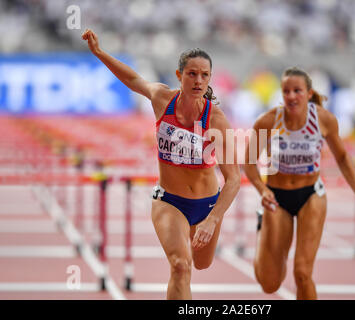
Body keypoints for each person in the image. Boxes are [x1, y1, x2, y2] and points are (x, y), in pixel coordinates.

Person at [82, 29, 240, 299]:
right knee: (181, 266)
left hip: (207, 205)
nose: (198, 80)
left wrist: (213, 220)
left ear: (210, 79)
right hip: (169, 201)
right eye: (192, 73)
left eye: (204, 75)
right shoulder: (162, 99)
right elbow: (132, 79)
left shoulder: (216, 120)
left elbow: (234, 179)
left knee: (202, 263)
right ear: (179, 76)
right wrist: (99, 53)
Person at [243, 67, 355, 300]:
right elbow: (248, 163)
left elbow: (343, 157)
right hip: (277, 198)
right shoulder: (267, 121)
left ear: (309, 93)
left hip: (311, 195)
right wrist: (262, 189)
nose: (291, 96)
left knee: (302, 273)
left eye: (297, 90)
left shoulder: (324, 120)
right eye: (286, 91)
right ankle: (262, 232)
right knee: (269, 283)